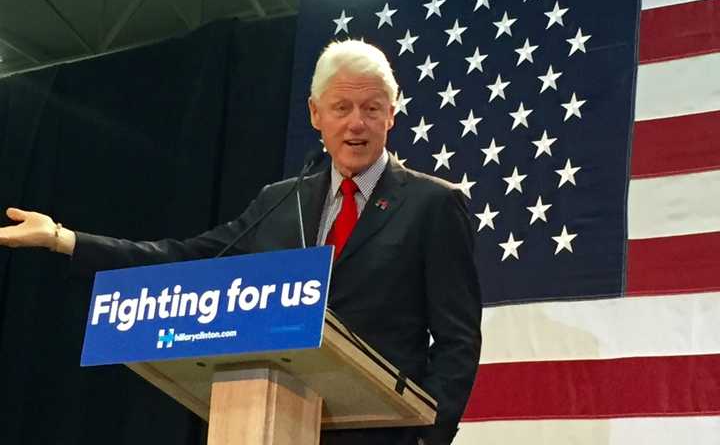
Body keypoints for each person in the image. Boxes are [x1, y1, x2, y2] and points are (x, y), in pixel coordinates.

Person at [0, 40, 482, 445]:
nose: (356, 123)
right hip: (277, 421)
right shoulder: (280, 200)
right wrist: (64, 239)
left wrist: (428, 435)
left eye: (371, 109)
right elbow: (187, 257)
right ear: (316, 115)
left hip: (385, 434)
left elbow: (458, 339)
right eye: (342, 107)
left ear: (390, 117)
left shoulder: (432, 204)